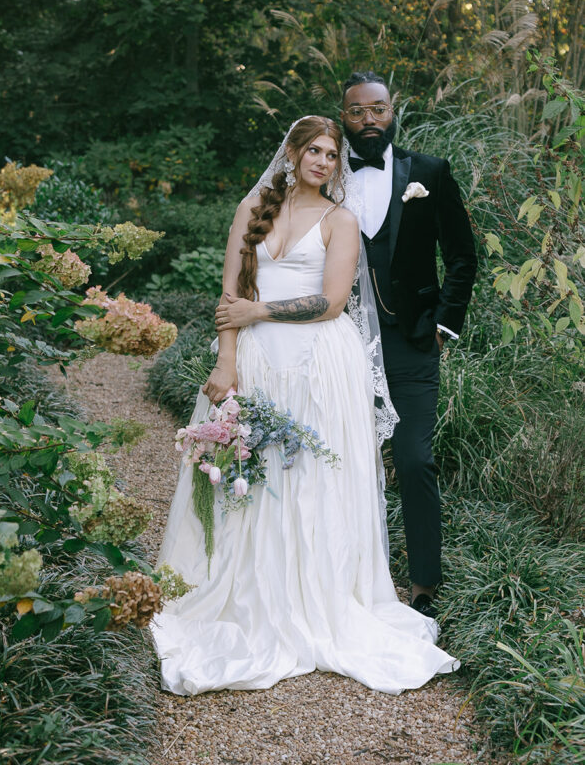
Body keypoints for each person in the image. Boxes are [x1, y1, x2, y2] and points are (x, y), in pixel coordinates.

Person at [150, 115, 458, 696]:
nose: (323, 161)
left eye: (331, 154)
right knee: (253, 476)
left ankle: (319, 594)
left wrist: (258, 314)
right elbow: (230, 294)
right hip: (259, 362)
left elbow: (333, 301)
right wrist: (226, 360)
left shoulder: (340, 220)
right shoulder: (253, 210)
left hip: (321, 361)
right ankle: (252, 590)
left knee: (315, 476)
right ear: (291, 154)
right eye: (313, 150)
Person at [340, 71, 477, 619]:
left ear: (393, 110)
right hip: (339, 342)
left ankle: (424, 583)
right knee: (347, 459)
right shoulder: (323, 177)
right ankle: (346, 575)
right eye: (356, 111)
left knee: (415, 460)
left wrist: (445, 324)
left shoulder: (429, 173)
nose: (368, 119)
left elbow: (462, 255)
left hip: (413, 340)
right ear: (342, 115)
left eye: (377, 108)